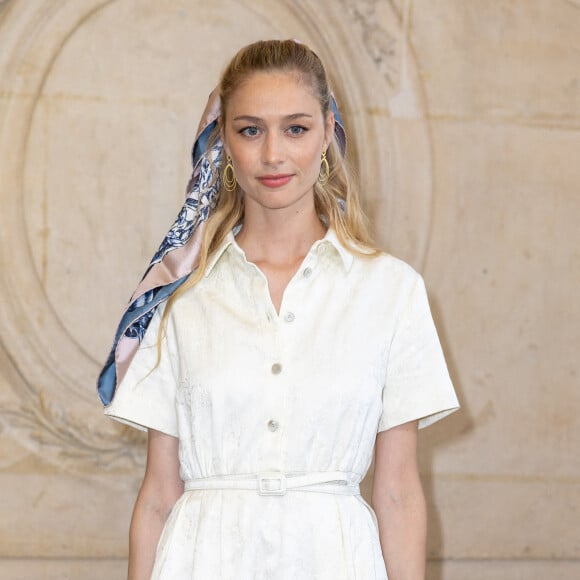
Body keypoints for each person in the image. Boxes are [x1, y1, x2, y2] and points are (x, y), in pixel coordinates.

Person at [98, 39, 459, 580]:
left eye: (295, 128)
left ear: (327, 135)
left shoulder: (392, 290)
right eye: (250, 130)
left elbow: (399, 493)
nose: (273, 155)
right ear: (224, 140)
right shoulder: (179, 296)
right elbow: (157, 495)